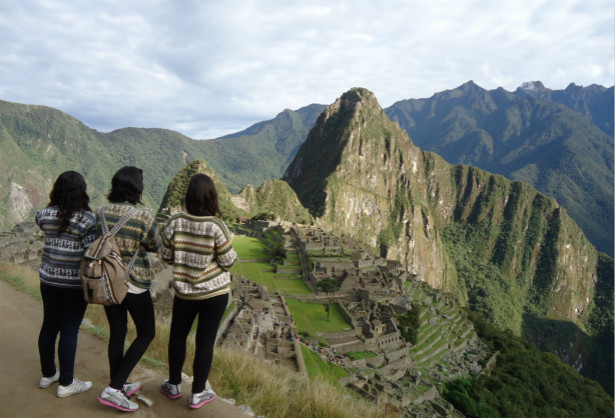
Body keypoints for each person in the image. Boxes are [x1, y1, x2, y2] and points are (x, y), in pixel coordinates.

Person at [160, 173, 237, 409]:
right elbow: (228, 261)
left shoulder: (175, 222)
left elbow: (165, 256)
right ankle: (198, 392)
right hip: (215, 294)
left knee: (178, 336)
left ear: (188, 196)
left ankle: (173, 384)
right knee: (205, 342)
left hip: (185, 293)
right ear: (212, 197)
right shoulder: (216, 226)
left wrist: (186, 261)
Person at [96, 166, 160, 412]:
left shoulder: (99, 213)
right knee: (146, 333)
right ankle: (113, 388)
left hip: (107, 283)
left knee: (118, 333)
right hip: (133, 284)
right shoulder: (142, 216)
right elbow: (155, 244)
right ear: (137, 188)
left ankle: (119, 385)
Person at [36, 171, 96, 398]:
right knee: (70, 329)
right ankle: (67, 382)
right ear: (81, 191)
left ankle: (48, 374)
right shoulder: (87, 221)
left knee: (49, 325)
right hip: (73, 284)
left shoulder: (43, 215)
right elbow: (91, 252)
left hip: (48, 279)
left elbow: (44, 224)